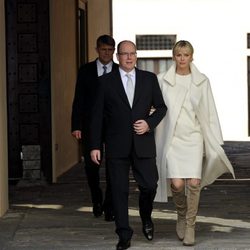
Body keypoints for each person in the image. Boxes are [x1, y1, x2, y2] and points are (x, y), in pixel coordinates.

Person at [154, 40, 235, 246]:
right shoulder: (162, 80)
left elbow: (209, 110)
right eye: (179, 54)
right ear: (173, 56)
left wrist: (214, 140)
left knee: (194, 182)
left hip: (194, 137)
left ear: (192, 56)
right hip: (172, 138)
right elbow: (156, 106)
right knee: (177, 183)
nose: (182, 58)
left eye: (186, 55)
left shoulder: (202, 81)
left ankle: (190, 224)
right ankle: (181, 214)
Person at [90, 40, 167, 250]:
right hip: (116, 145)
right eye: (125, 54)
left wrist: (149, 124)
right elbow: (96, 116)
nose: (129, 57)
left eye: (132, 53)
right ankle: (124, 234)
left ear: (136, 56)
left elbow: (161, 108)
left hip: (143, 143)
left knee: (150, 185)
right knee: (118, 190)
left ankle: (146, 218)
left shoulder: (149, 79)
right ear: (117, 57)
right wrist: (95, 146)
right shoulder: (105, 82)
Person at [71, 34, 118, 221]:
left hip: (114, 126)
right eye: (103, 49)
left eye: (110, 50)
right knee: (91, 167)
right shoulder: (85, 71)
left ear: (114, 51)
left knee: (114, 166)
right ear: (96, 49)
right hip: (90, 125)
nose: (106, 53)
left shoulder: (120, 70)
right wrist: (76, 126)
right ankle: (96, 199)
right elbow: (78, 100)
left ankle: (109, 205)